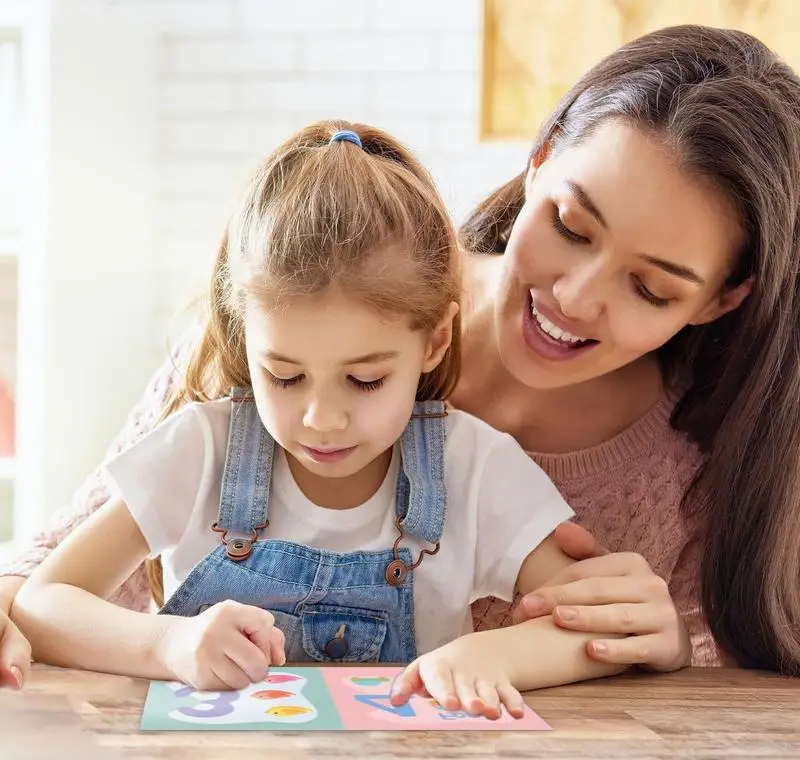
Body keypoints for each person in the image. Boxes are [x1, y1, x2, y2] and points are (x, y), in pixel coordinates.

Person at [4, 21, 800, 688]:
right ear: (542, 157)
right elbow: (45, 575)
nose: (577, 297)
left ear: (722, 299)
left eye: (651, 289)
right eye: (571, 225)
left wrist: (652, 650)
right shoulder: (309, 294)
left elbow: (689, 678)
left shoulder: (630, 463)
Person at [10, 121, 635, 718]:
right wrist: (167, 644)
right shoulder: (203, 450)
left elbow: (591, 627)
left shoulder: (472, 467)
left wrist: (492, 653)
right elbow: (44, 602)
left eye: (366, 380)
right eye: (283, 375)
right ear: (242, 337)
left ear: (436, 341)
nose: (322, 419)